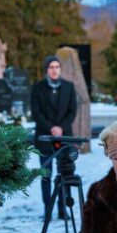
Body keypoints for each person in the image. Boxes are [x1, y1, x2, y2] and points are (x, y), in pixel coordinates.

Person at [30, 55, 77, 219]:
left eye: (57, 67)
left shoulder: (69, 87)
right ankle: (48, 210)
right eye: (51, 67)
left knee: (64, 174)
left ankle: (63, 210)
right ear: (46, 70)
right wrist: (51, 128)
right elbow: (36, 113)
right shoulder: (38, 87)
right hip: (44, 137)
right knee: (46, 175)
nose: (54, 70)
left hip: (64, 137)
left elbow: (72, 111)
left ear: (60, 69)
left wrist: (61, 128)